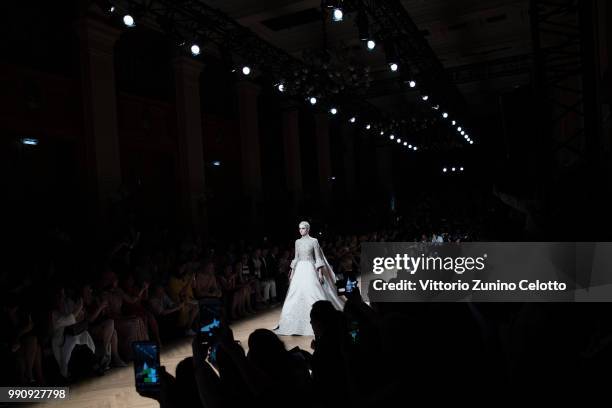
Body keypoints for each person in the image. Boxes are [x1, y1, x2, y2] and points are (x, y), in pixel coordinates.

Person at [274, 221, 344, 336]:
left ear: (308, 229)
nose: (300, 230)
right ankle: (292, 322)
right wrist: (291, 271)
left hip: (310, 269)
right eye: (299, 228)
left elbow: (317, 257)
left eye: (302, 228)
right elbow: (296, 257)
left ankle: (320, 319)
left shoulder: (314, 241)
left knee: (313, 292)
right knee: (295, 294)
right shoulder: (297, 242)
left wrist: (320, 273)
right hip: (299, 270)